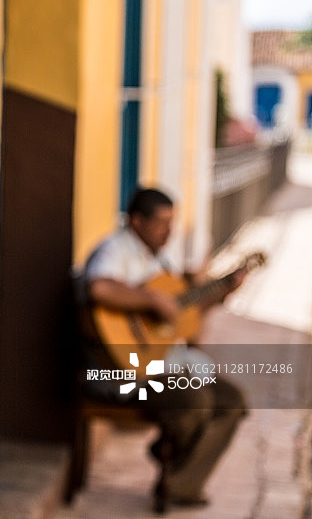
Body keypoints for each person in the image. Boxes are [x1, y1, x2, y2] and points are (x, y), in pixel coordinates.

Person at [82, 187, 247, 511]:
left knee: (232, 399)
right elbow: (99, 287)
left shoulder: (161, 259)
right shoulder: (115, 250)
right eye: (161, 223)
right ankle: (171, 459)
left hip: (163, 362)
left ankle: (181, 485)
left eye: (172, 223)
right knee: (194, 400)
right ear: (136, 221)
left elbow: (184, 324)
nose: (169, 231)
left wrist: (219, 294)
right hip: (122, 372)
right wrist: (151, 299)